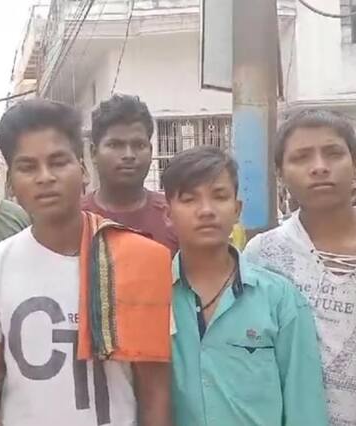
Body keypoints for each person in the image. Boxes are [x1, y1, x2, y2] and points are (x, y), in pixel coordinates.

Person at [0, 99, 174, 426]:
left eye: (58, 162)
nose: (45, 177)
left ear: (83, 170)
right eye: (28, 167)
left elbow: (155, 395)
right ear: (10, 183)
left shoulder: (137, 259)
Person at [165, 146, 328, 426]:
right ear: (168, 214)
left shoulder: (279, 299)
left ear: (237, 209)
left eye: (219, 196)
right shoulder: (152, 298)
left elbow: (305, 408)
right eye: (190, 199)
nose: (206, 211)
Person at [245, 110, 356, 426]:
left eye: (333, 153)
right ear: (280, 174)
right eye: (301, 157)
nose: (319, 167)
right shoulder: (263, 255)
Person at [82, 94, 177, 252]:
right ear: (93, 153)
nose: (129, 155)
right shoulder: (74, 219)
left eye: (139, 145)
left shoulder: (174, 217)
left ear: (151, 151)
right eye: (115, 145)